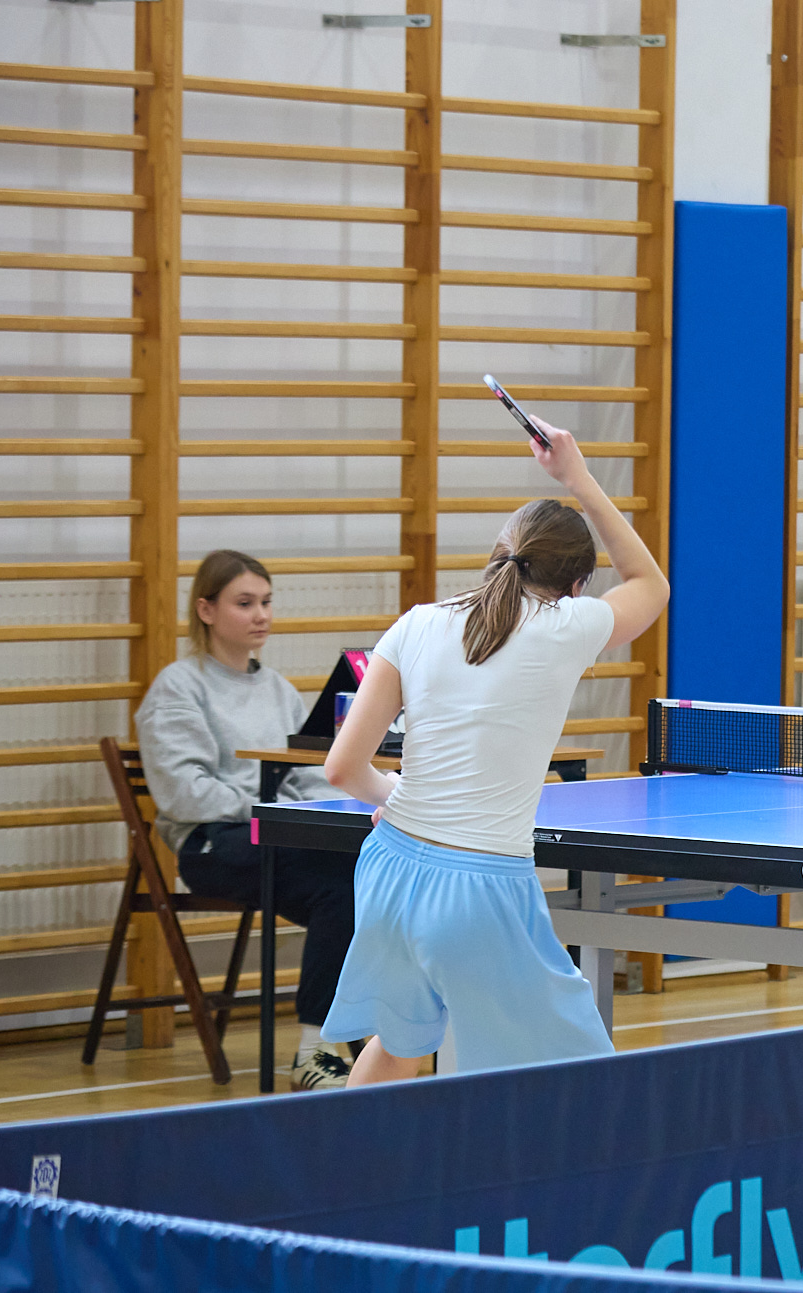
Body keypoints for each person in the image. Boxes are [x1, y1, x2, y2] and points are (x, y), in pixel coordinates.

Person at [319, 418, 668, 1084]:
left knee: (401, 1042)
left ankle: (336, 1153)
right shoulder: (568, 626)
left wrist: (404, 800)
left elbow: (342, 767)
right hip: (480, 888)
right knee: (582, 1075)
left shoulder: (417, 623)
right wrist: (578, 477)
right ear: (576, 586)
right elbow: (650, 584)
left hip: (389, 869)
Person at [136, 550, 359, 1090]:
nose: (261, 615)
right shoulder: (178, 686)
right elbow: (184, 792)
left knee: (370, 865)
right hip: (214, 844)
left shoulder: (278, 688)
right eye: (244, 603)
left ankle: (363, 1036)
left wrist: (333, 816)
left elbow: (308, 775)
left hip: (278, 833)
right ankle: (315, 1050)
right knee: (341, 881)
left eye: (266, 602)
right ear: (206, 610)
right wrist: (266, 809)